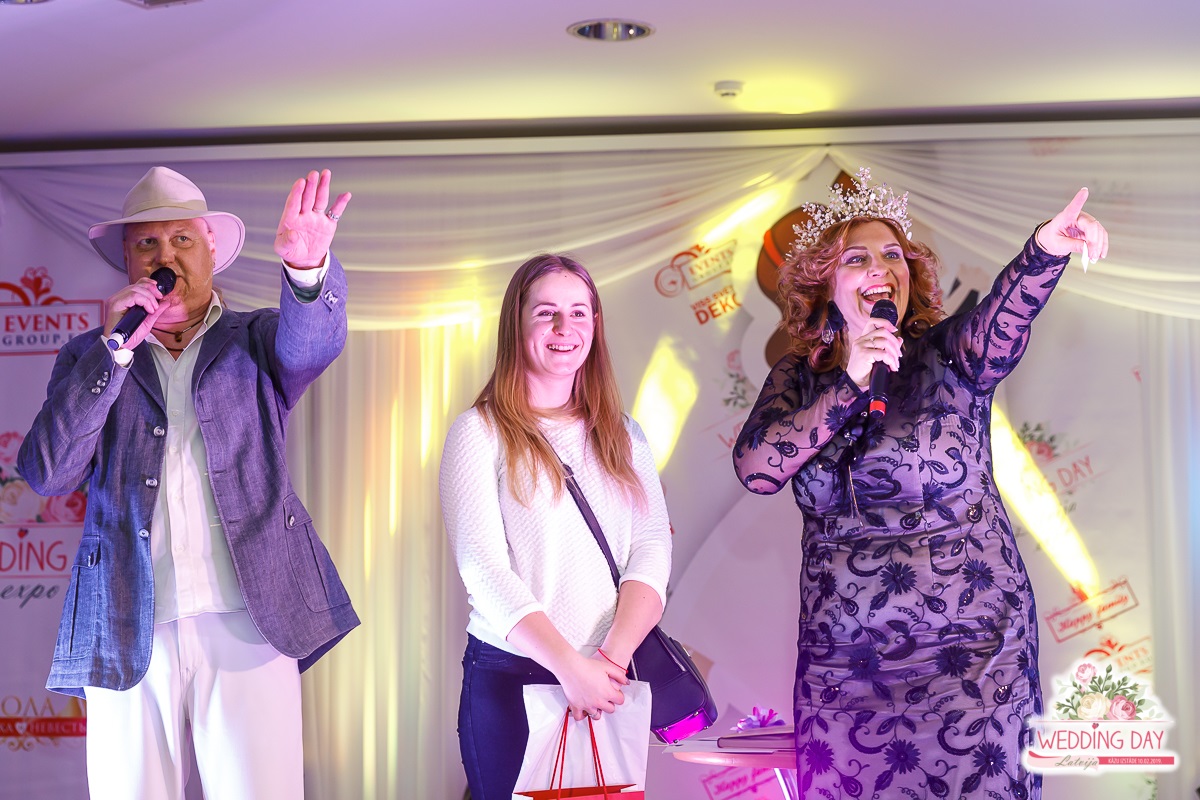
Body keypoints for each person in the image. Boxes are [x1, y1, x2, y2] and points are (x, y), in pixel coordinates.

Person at [732, 169, 1108, 799]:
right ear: (825, 283)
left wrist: (1045, 251)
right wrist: (850, 383)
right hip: (846, 667)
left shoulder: (948, 354)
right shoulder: (798, 378)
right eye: (857, 258)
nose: (881, 268)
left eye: (893, 255)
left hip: (973, 658)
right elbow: (757, 469)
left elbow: (1004, 319)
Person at [17, 166, 359, 799]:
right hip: (124, 618)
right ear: (128, 262)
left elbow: (313, 344)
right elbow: (48, 470)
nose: (164, 256)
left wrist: (308, 271)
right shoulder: (90, 355)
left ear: (210, 250)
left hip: (249, 617)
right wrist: (114, 352)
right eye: (147, 243)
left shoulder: (255, 339)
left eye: (182, 240)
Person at [439, 253, 673, 799]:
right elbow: (484, 570)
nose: (565, 328)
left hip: (610, 675)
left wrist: (607, 663)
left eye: (579, 313)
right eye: (546, 313)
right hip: (512, 677)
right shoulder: (478, 432)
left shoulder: (625, 435)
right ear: (516, 325)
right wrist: (570, 668)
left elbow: (651, 547)